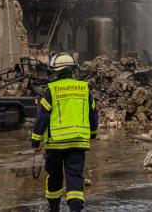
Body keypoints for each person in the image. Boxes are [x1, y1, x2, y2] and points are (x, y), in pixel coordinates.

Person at [31, 53, 98, 211]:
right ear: (73, 69)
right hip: (78, 142)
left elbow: (42, 117)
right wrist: (93, 133)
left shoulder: (51, 90)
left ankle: (54, 208)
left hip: (55, 144)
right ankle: (75, 209)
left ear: (55, 70)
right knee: (74, 177)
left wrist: (36, 140)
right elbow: (93, 113)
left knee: (54, 176)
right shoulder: (83, 89)